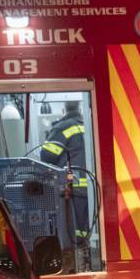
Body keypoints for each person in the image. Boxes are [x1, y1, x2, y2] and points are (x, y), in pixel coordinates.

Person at [40, 100, 90, 246]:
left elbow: (47, 156)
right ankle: (87, 254)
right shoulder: (88, 125)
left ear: (64, 110)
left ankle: (77, 259)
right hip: (91, 189)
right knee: (86, 228)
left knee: (73, 231)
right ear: (79, 108)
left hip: (72, 188)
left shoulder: (62, 127)